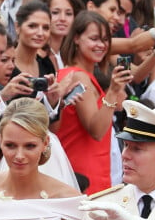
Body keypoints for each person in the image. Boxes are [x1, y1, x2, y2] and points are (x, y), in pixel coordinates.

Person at [54, 11, 130, 194]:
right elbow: (96, 130)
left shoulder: (83, 76)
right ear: (76, 39)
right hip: (82, 175)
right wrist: (112, 92)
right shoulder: (78, 77)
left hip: (91, 171)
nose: (101, 45)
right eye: (94, 38)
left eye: (105, 40)